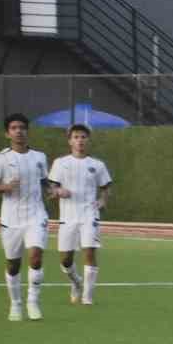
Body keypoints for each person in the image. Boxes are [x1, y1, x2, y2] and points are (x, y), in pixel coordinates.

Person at [47, 123, 113, 305]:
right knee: (65, 259)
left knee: (90, 252)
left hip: (89, 214)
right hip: (67, 217)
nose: (80, 140)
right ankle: (76, 281)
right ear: (70, 141)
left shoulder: (97, 165)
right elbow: (51, 187)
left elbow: (106, 187)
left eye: (83, 137)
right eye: (76, 137)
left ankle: (88, 297)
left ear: (88, 140)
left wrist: (103, 201)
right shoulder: (60, 163)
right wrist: (58, 191)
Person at [0, 113, 52, 321]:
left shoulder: (39, 157)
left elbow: (44, 181)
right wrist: (5, 186)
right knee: (13, 264)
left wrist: (53, 190)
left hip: (36, 215)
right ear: (7, 133)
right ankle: (16, 304)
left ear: (27, 131)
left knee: (36, 256)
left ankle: (33, 302)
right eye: (14, 128)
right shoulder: (1, 159)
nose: (18, 131)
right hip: (11, 218)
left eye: (22, 127)